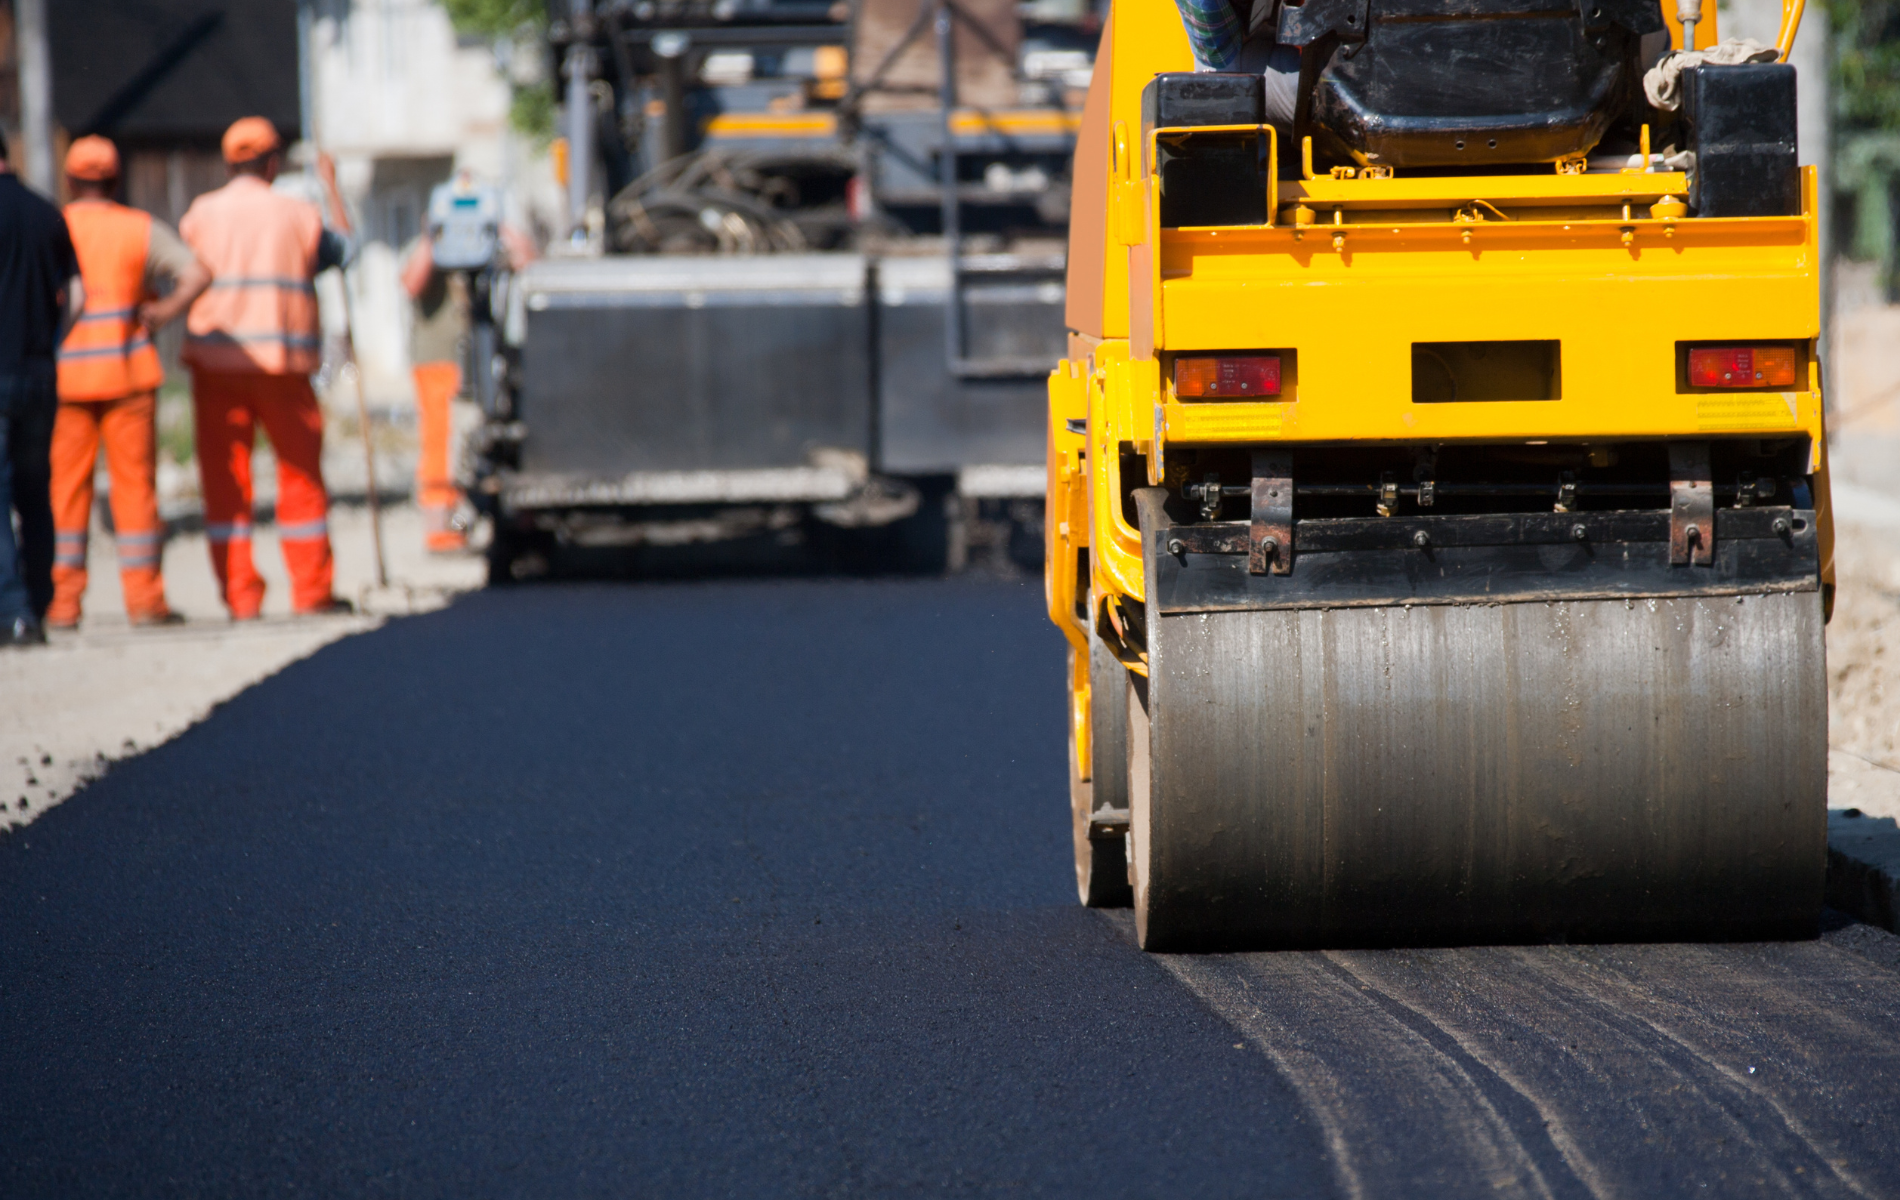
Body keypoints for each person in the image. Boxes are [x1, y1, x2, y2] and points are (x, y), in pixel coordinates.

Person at [179, 117, 354, 619]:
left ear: (229, 162)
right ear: (273, 162)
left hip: (215, 366)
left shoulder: (200, 214)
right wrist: (332, 186)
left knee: (225, 483)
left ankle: (240, 597)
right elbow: (346, 251)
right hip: (284, 369)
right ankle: (312, 592)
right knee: (300, 479)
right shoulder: (299, 214)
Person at [47, 136, 212, 629]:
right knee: (135, 490)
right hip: (128, 375)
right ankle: (144, 601)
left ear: (71, 180)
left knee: (66, 492)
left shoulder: (57, 228)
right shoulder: (138, 229)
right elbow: (197, 272)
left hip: (67, 378)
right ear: (115, 180)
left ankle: (62, 603)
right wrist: (162, 311)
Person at [0, 136, 82, 647]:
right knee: (35, 490)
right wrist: (52, 344)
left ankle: (13, 611)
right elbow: (77, 296)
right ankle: (40, 600)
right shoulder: (46, 213)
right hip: (39, 372)